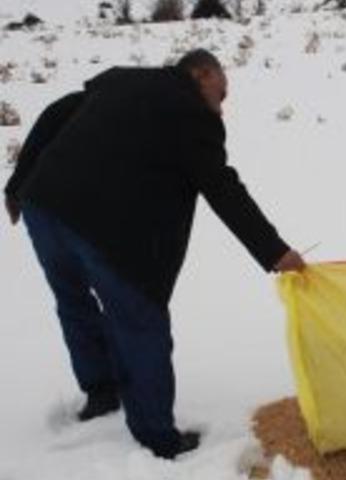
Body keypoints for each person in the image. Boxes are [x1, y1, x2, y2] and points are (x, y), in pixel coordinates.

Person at [4, 49, 305, 458]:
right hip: (107, 231)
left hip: (46, 209)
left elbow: (57, 112)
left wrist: (18, 183)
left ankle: (101, 393)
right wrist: (274, 252)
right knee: (140, 324)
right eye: (222, 93)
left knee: (73, 304)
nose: (222, 108)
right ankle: (156, 438)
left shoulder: (122, 78)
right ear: (200, 74)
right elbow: (222, 188)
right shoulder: (193, 116)